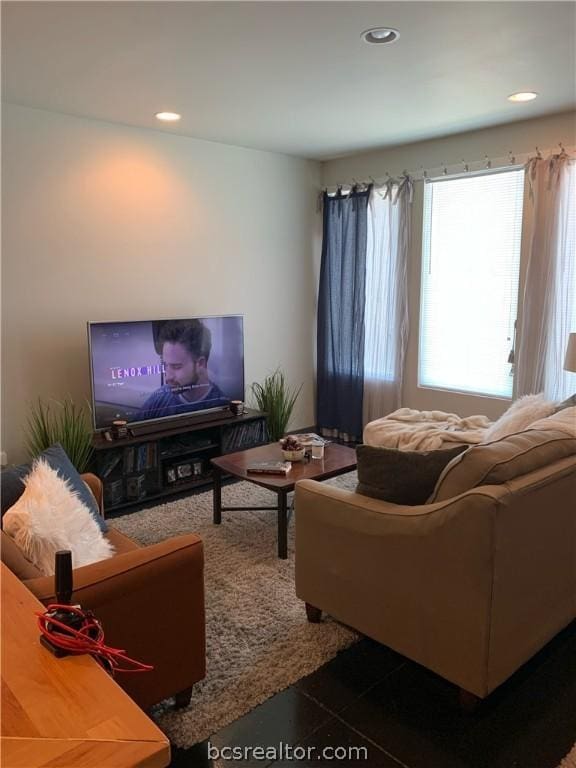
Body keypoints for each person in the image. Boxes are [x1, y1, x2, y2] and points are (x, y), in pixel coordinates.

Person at [140, 319, 228, 419]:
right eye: (165, 365)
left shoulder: (223, 408)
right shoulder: (158, 400)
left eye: (176, 367)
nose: (168, 377)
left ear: (200, 364)